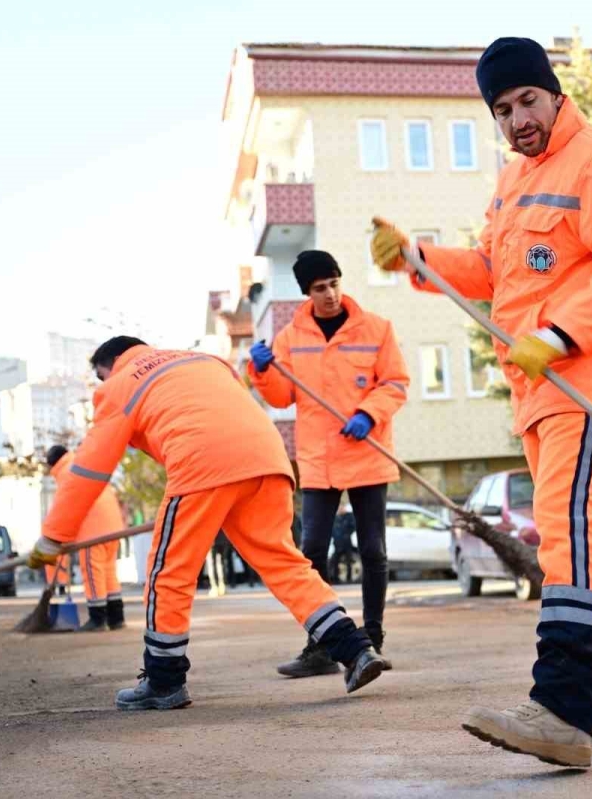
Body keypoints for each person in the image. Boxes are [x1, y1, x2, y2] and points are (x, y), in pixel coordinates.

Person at [371, 37, 592, 768]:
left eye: (527, 101)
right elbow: (490, 269)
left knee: (566, 526)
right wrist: (417, 257)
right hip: (535, 384)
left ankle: (561, 706)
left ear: (554, 95)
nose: (517, 119)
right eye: (502, 109)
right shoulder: (512, 181)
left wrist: (560, 331)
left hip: (581, 377)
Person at [26, 336, 389, 711]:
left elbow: (88, 468)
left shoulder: (120, 385)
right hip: (267, 459)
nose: (104, 384)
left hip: (202, 463)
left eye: (102, 376)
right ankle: (356, 649)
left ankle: (163, 681)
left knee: (169, 573)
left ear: (113, 363)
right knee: (286, 565)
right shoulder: (203, 360)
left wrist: (54, 536)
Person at [248, 250, 409, 677]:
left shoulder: (376, 328)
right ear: (307, 292)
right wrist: (261, 371)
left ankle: (371, 640)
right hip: (319, 461)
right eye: (320, 288)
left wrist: (369, 413)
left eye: (335, 283)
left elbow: (396, 382)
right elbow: (281, 396)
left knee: (373, 550)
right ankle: (320, 646)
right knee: (312, 550)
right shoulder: (290, 337)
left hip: (368, 454)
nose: (331, 294)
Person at [45, 445, 126, 631]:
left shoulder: (65, 474)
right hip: (113, 526)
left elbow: (63, 511)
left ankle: (98, 620)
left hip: (93, 531)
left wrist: (56, 538)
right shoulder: (83, 464)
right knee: (108, 572)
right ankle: (116, 618)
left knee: (92, 572)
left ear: (52, 465)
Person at [329, 509, 358, 585]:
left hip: (347, 543)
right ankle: (335, 577)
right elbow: (332, 529)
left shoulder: (348, 517)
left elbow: (353, 526)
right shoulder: (335, 518)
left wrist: (346, 534)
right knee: (335, 561)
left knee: (349, 561)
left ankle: (349, 578)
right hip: (337, 543)